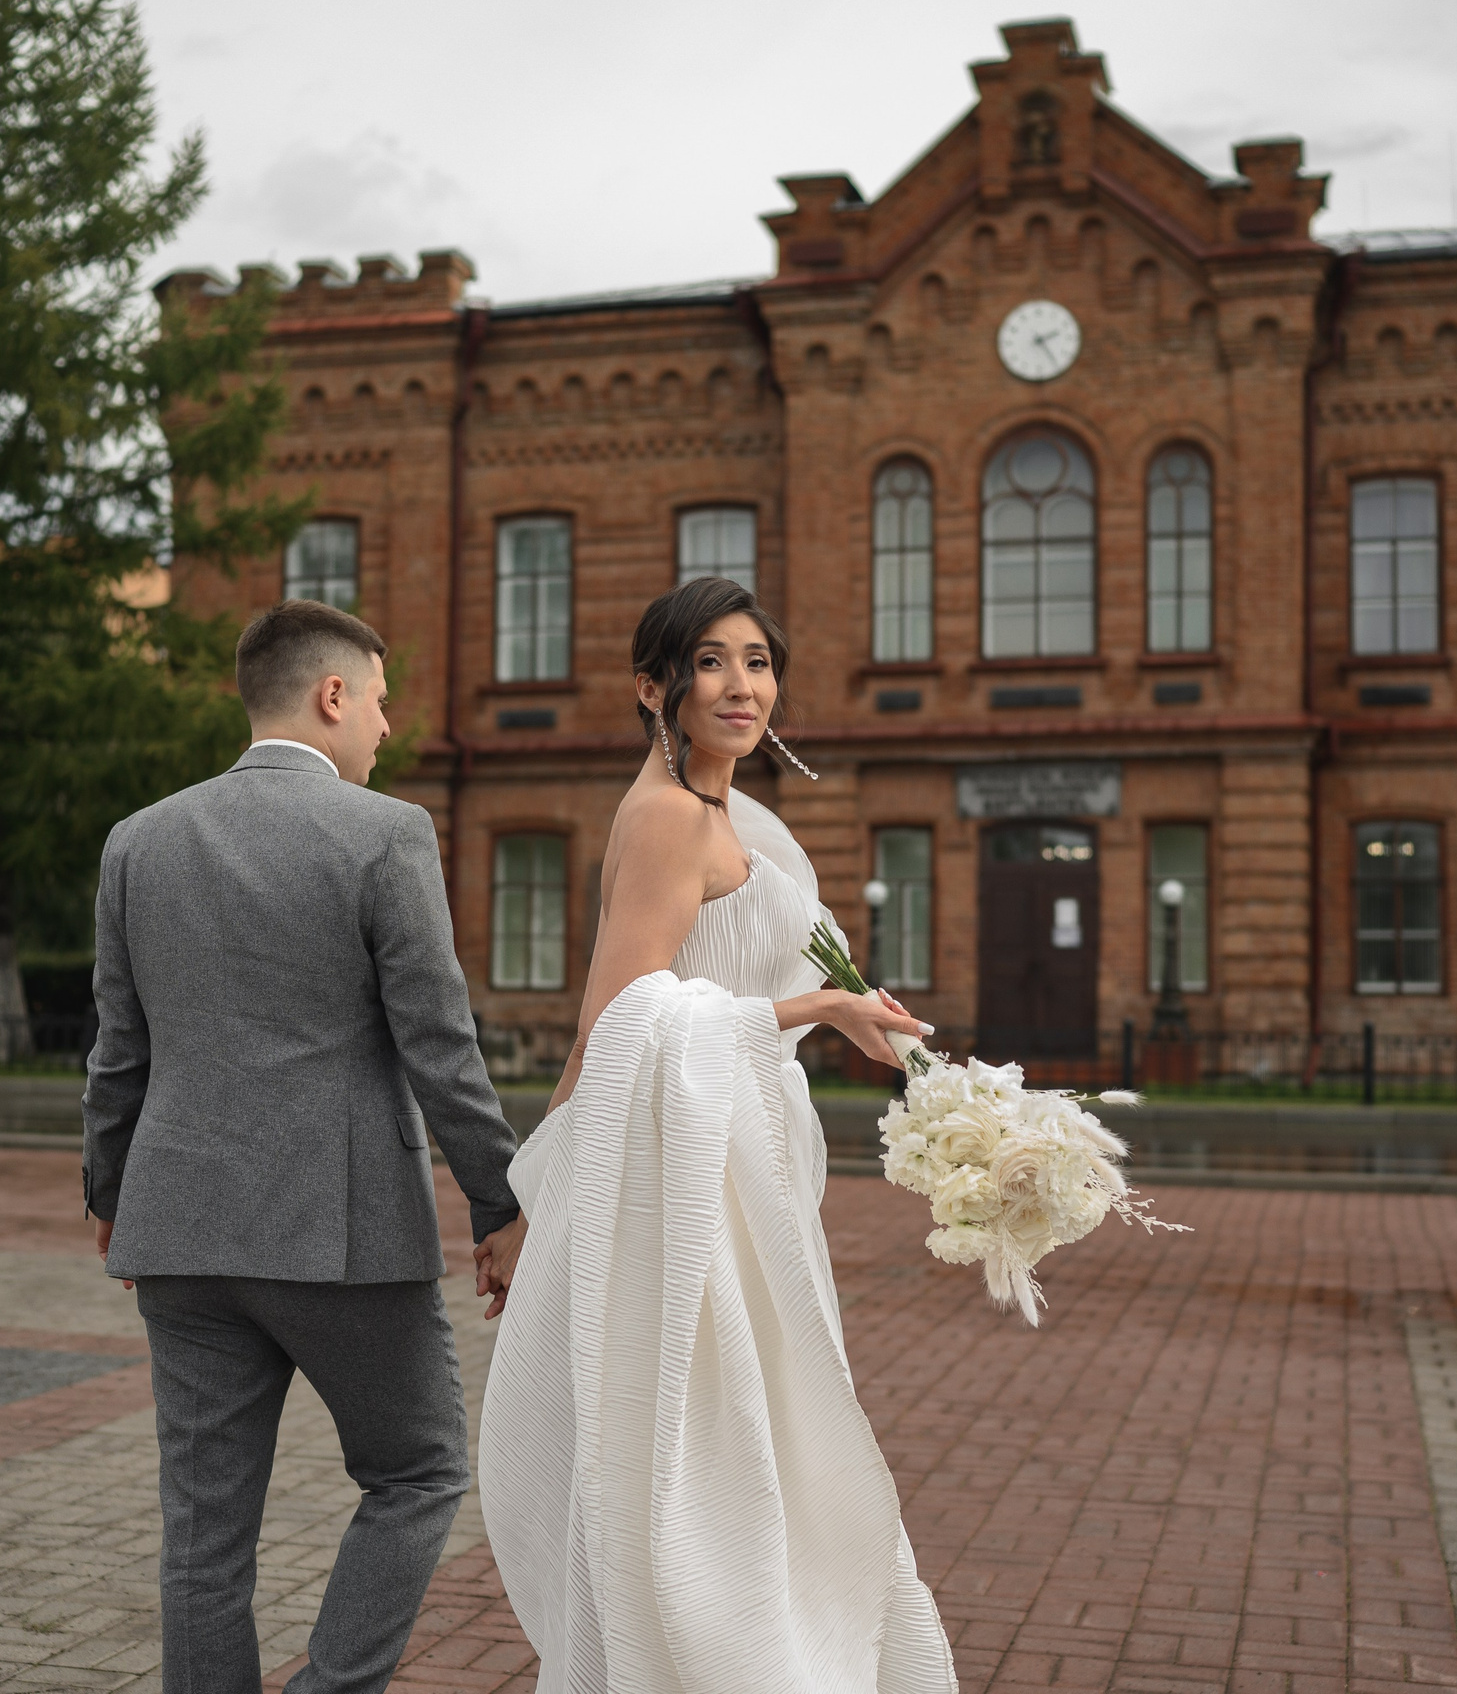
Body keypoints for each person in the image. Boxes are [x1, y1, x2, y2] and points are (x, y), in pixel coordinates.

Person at [477, 577, 959, 1693]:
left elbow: (707, 984)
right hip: (686, 1193)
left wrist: (854, 1019)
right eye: (709, 662)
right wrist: (813, 1007)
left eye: (757, 661)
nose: (741, 685)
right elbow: (620, 1020)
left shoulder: (729, 815)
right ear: (655, 688)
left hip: (741, 1171)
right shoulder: (665, 818)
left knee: (768, 1447)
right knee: (721, 1458)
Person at [82, 598, 527, 1694]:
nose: (386, 726)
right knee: (420, 1471)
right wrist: (502, 1202)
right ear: (332, 696)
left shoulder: (138, 839)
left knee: (203, 1535)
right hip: (341, 1234)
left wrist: (110, 1191)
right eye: (378, 701)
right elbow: (439, 1045)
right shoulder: (385, 834)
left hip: (179, 1230)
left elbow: (118, 1047)